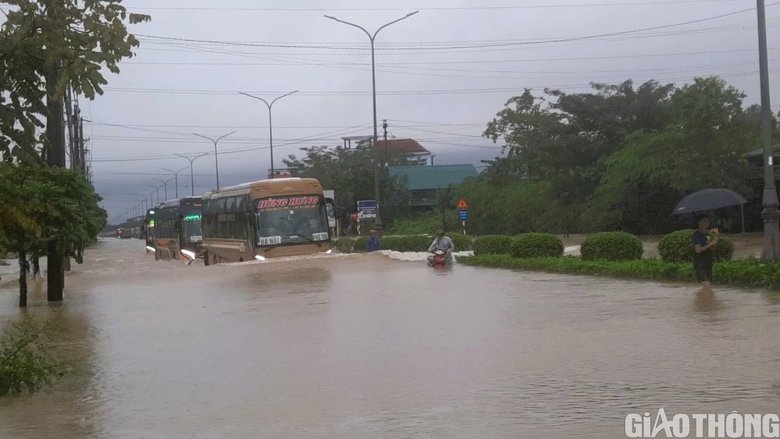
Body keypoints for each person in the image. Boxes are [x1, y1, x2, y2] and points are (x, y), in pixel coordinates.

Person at [693, 214, 719, 291]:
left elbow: (711, 248)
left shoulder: (707, 234)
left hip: (708, 262)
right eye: (704, 221)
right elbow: (698, 250)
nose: (707, 223)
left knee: (709, 287)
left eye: (707, 221)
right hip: (700, 264)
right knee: (707, 286)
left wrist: (714, 243)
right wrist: (711, 243)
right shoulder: (697, 235)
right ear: (699, 223)